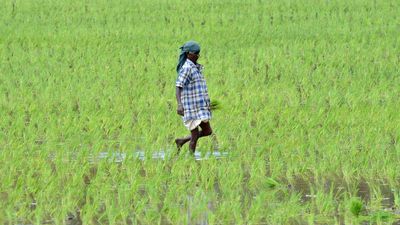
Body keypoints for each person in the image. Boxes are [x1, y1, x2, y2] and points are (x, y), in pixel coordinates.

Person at [175, 40, 213, 153]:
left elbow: (199, 89)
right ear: (188, 54)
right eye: (195, 53)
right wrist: (179, 105)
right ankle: (191, 160)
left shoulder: (195, 67)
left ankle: (181, 141)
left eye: (198, 53)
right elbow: (178, 86)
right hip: (190, 108)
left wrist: (207, 104)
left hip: (200, 107)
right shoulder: (187, 68)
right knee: (195, 136)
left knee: (208, 131)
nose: (198, 56)